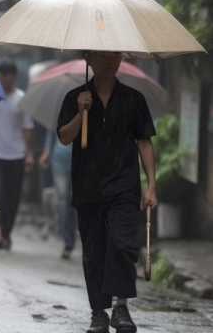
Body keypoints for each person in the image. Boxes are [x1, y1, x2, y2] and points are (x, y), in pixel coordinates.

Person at [57, 51, 157, 333]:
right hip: (88, 188)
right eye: (104, 55)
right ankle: (98, 312)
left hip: (124, 187)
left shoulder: (134, 99)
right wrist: (81, 112)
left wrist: (151, 185)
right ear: (90, 60)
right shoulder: (74, 97)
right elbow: (65, 137)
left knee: (123, 243)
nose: (112, 60)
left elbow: (144, 142)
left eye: (116, 55)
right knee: (94, 251)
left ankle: (121, 306)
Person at [0, 61, 34, 250]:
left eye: (9, 76)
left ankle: (6, 233)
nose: (5, 80)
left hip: (17, 155)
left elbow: (28, 128)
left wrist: (28, 153)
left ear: (14, 77)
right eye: (2, 76)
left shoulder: (22, 99)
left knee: (12, 198)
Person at [40, 132, 76, 259]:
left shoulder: (88, 114)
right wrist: (46, 151)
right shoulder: (58, 113)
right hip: (59, 159)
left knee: (72, 200)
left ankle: (69, 238)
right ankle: (65, 236)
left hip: (79, 161)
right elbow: (51, 132)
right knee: (63, 199)